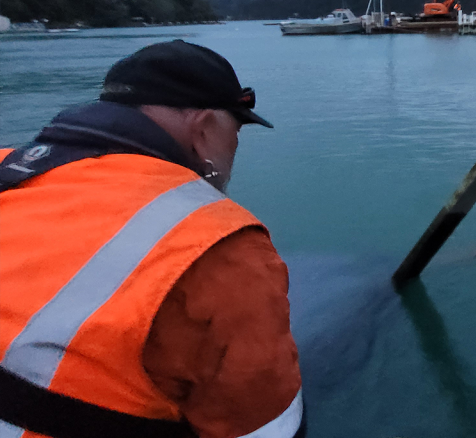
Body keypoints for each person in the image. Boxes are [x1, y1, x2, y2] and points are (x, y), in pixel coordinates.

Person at [0, 40, 305, 437]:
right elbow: (266, 427)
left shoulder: (8, 168)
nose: (235, 147)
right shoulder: (220, 245)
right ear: (206, 127)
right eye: (238, 129)